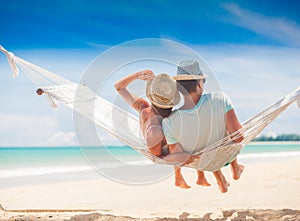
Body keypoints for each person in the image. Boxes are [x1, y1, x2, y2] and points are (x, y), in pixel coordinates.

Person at [114, 71, 209, 189]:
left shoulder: (143, 106)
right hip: (159, 146)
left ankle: (191, 177)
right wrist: (180, 157)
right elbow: (157, 158)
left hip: (164, 139)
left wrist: (136, 76)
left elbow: (118, 87)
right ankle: (186, 177)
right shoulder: (157, 130)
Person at [162, 60, 244, 193]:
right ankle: (235, 169)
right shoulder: (220, 99)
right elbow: (239, 137)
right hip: (226, 156)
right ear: (200, 85)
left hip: (203, 164)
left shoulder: (169, 121)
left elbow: (179, 156)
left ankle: (223, 178)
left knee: (204, 140)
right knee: (222, 132)